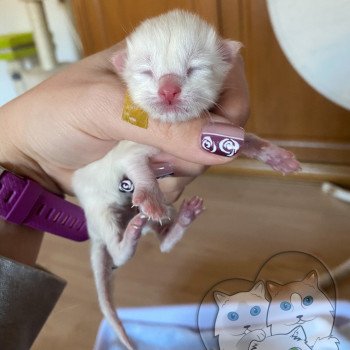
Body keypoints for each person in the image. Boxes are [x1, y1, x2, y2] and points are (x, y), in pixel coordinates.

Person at [0, 42, 249, 349]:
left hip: (97, 186)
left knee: (157, 210)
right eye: (146, 72)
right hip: (101, 192)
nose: (169, 89)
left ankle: (167, 230)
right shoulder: (128, 110)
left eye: (195, 70)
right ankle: (125, 247)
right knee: (139, 210)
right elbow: (132, 160)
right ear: (123, 69)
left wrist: (24, 158)